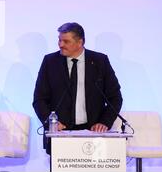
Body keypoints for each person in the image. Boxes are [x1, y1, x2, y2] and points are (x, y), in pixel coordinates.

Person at [32, 22, 123, 154]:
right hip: (60, 133)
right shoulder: (50, 61)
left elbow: (114, 98)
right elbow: (39, 99)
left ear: (80, 42)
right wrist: (51, 123)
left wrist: (104, 122)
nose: (60, 44)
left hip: (92, 133)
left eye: (66, 41)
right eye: (59, 40)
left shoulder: (99, 61)